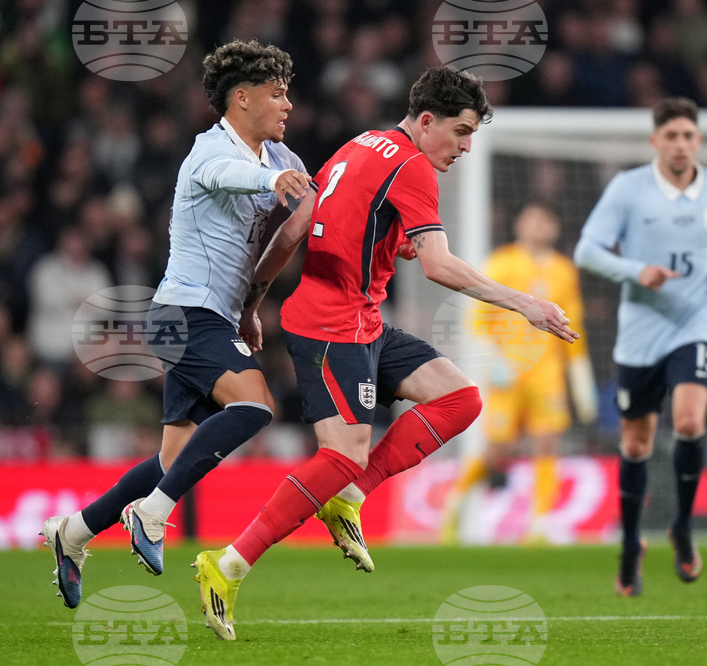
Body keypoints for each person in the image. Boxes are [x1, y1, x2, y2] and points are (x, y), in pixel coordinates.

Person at [192, 66, 578, 641]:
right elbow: (440, 266)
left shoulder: (361, 144)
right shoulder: (413, 166)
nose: (466, 147)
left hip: (361, 320)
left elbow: (299, 226)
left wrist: (255, 301)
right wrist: (527, 304)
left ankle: (348, 498)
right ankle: (227, 564)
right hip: (332, 326)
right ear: (426, 121)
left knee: (460, 400)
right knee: (341, 455)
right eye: (461, 131)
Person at [41, 39, 312, 609]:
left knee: (173, 459)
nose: (288, 104)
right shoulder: (207, 151)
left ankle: (75, 532)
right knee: (255, 406)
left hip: (212, 317)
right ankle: (154, 512)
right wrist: (271, 184)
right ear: (242, 98)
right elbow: (227, 174)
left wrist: (250, 306)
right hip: (182, 313)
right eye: (277, 94)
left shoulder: (283, 159)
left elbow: (298, 225)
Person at [573, 97, 707, 596]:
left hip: (696, 320)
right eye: (671, 136)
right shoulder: (629, 189)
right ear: (655, 142)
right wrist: (636, 271)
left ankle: (682, 527)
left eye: (688, 136)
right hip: (642, 328)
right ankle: (630, 543)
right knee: (636, 444)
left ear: (698, 140)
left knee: (689, 421)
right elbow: (586, 251)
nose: (680, 144)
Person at [441, 202, 597, 544]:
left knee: (548, 444)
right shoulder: (502, 263)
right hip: (507, 373)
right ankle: (455, 502)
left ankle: (539, 525)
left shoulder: (564, 271)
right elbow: (477, 321)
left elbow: (574, 325)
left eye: (545, 220)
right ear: (520, 225)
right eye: (532, 220)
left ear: (554, 228)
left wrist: (580, 378)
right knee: (498, 449)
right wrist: (491, 361)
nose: (538, 226)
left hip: (547, 375)